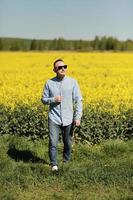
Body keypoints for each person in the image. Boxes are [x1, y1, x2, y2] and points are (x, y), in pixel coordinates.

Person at [41, 59, 82, 171]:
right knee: (53, 142)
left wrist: (77, 117)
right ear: (55, 70)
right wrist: (53, 99)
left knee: (68, 143)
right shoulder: (49, 83)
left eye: (65, 66)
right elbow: (43, 100)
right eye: (59, 67)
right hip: (54, 118)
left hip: (68, 118)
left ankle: (66, 162)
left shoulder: (73, 82)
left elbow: (78, 100)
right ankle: (54, 164)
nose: (63, 68)